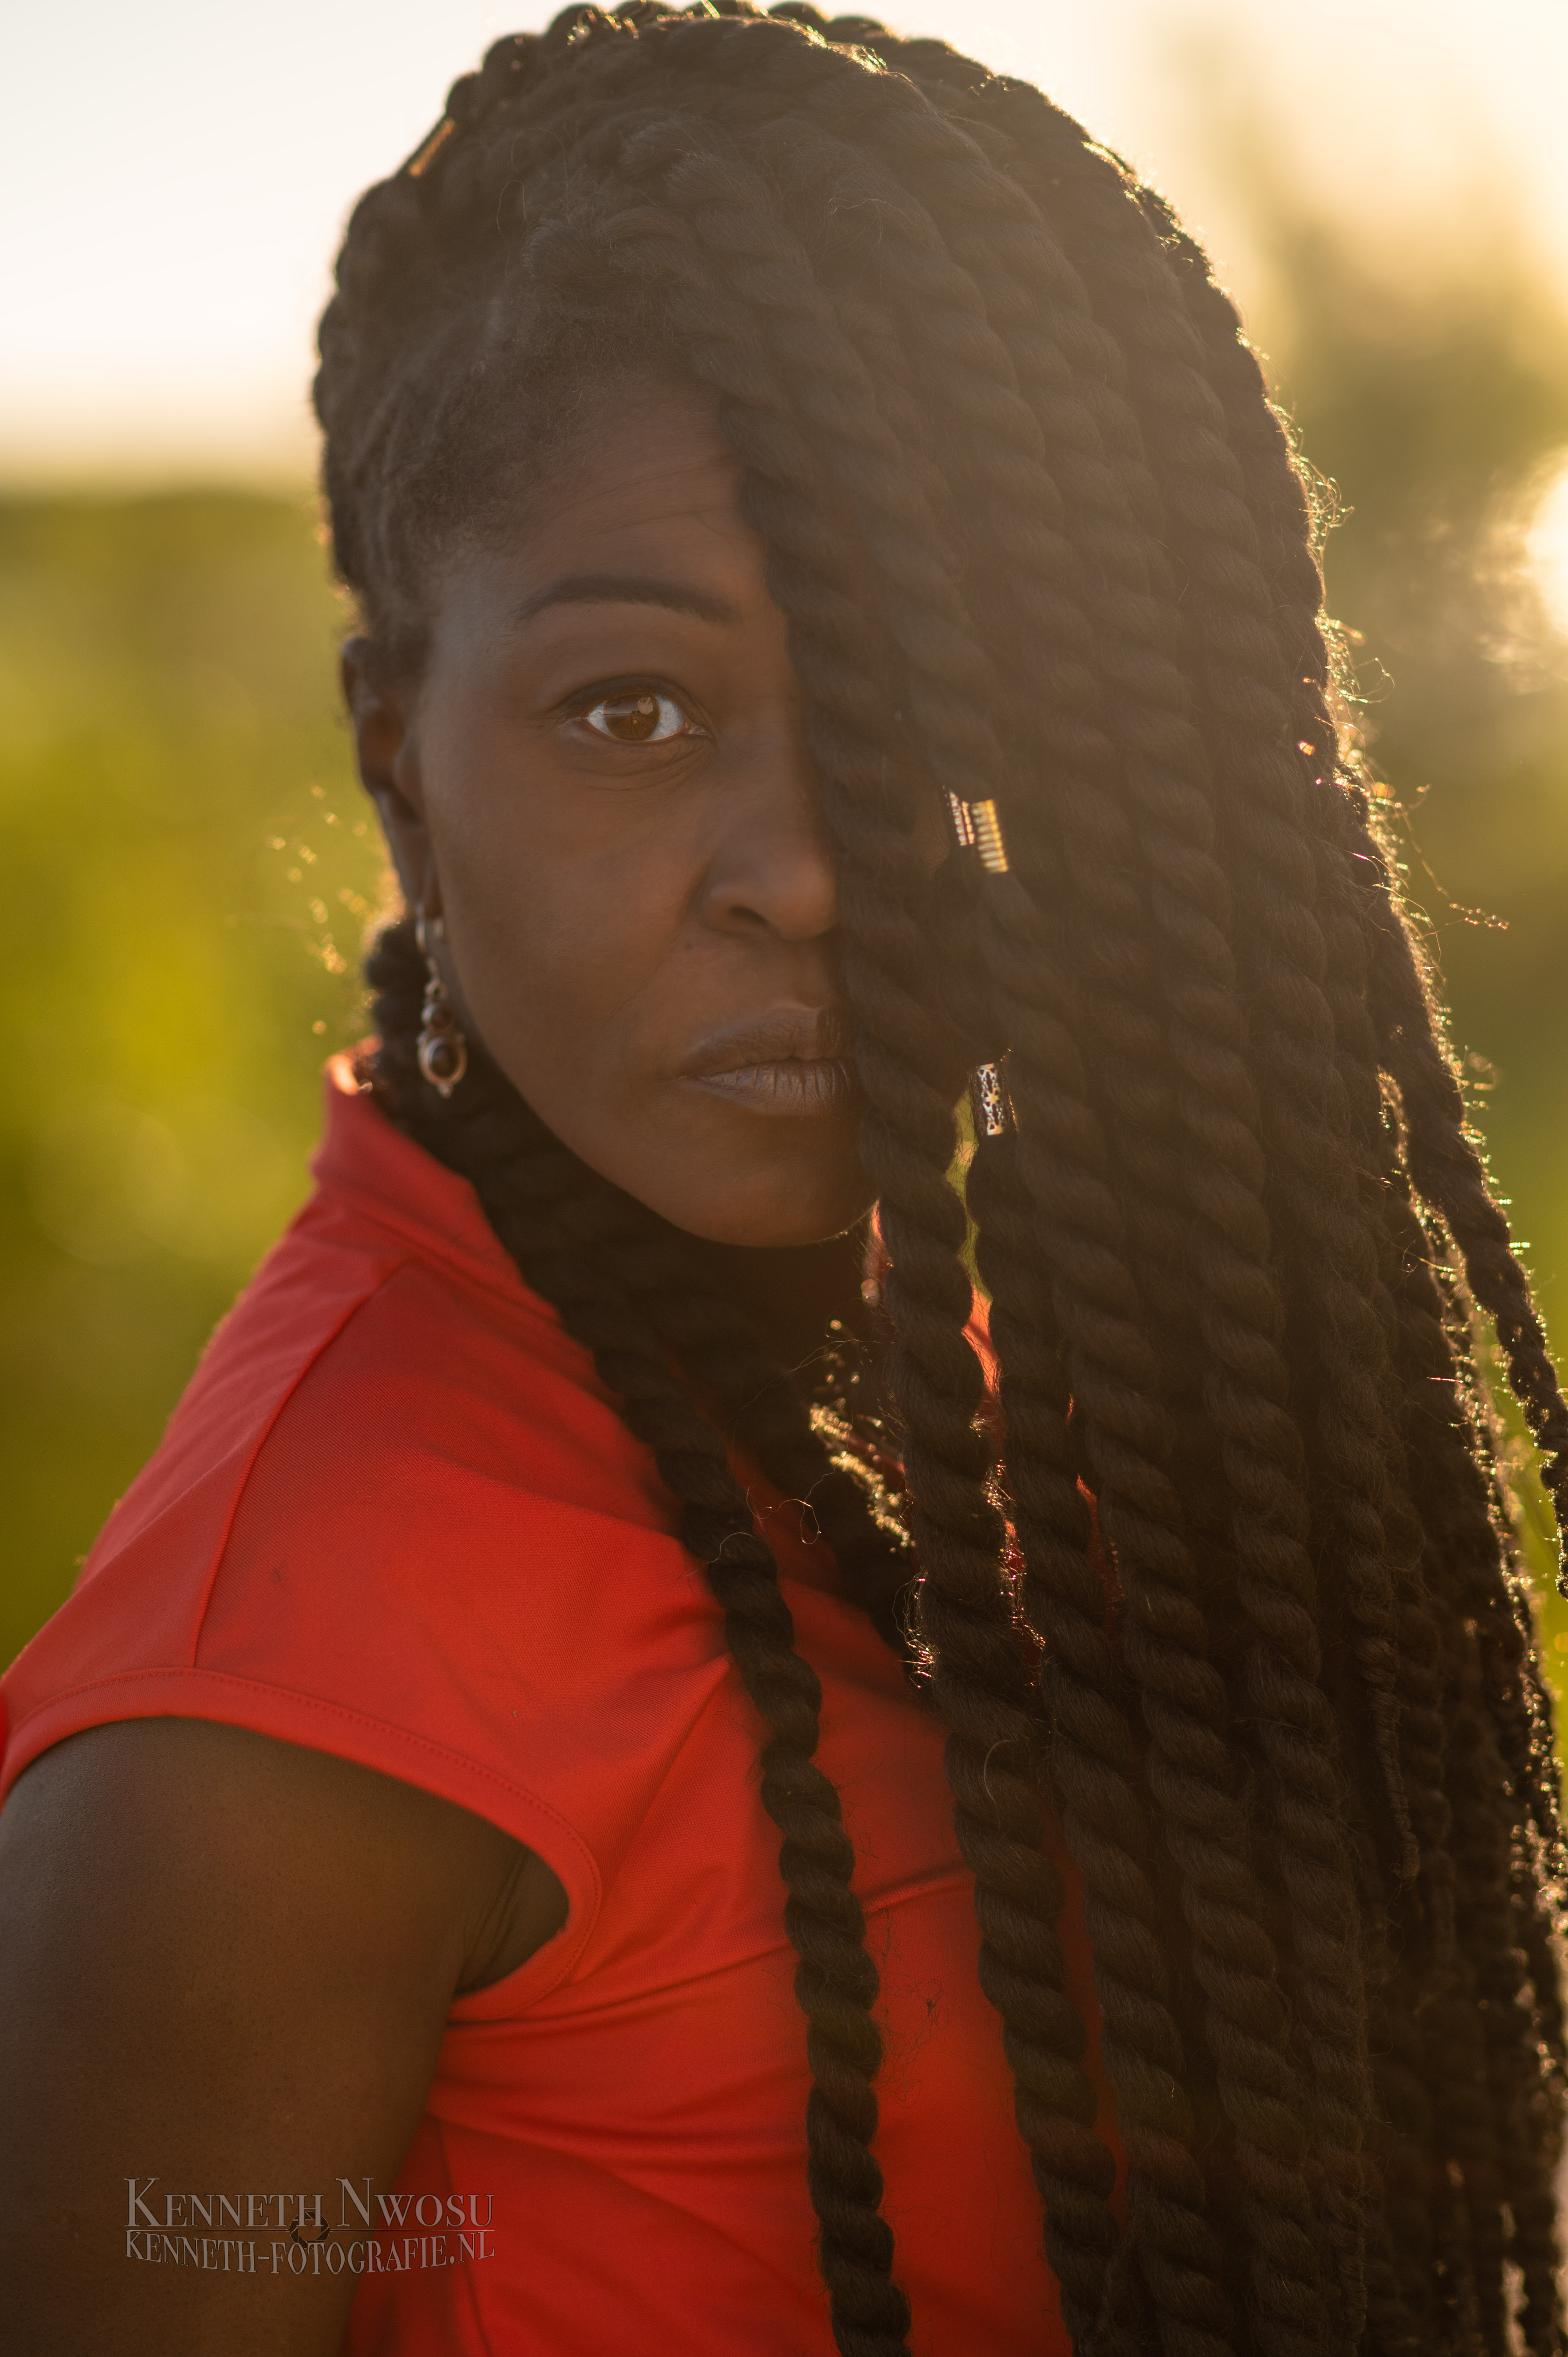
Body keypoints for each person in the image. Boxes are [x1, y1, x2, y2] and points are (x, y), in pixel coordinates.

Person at [2, 6, 1565, 2352]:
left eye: (930, 723)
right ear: (397, 761)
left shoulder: (1052, 1362)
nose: (814, 877)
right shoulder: (274, 1734)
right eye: (632, 713)